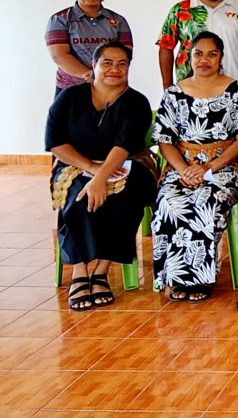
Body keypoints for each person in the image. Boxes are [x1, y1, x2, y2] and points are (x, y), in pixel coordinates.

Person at [45, 41, 158, 311]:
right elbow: (55, 143)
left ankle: (103, 270)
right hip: (77, 164)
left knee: (124, 198)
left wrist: (101, 176)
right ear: (93, 66)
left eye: (122, 64)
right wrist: (91, 170)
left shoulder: (136, 102)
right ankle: (81, 272)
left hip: (127, 163)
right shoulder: (69, 98)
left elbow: (124, 145)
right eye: (107, 63)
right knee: (78, 196)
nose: (114, 69)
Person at [151, 31, 238, 303]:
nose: (204, 59)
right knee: (169, 201)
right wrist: (184, 169)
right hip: (181, 167)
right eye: (198, 53)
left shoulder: (237, 91)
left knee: (206, 200)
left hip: (224, 168)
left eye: (212, 54)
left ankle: (201, 279)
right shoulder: (174, 93)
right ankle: (174, 277)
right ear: (189, 56)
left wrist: (209, 167)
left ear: (221, 58)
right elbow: (165, 140)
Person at [45, 0, 133, 95]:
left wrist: (103, 78)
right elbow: (59, 56)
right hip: (71, 89)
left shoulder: (118, 21)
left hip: (110, 88)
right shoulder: (60, 19)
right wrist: (91, 76)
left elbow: (125, 55)